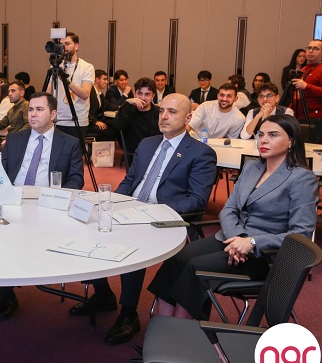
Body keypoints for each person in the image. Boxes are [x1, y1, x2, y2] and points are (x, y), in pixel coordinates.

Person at [72, 94, 216, 345]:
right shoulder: (148, 144)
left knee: (133, 243)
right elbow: (130, 180)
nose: (164, 116)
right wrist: (111, 202)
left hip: (167, 219)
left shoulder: (201, 153)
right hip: (132, 209)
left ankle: (128, 314)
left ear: (188, 118)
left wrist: (152, 211)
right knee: (88, 226)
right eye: (162, 111)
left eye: (172, 112)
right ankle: (103, 293)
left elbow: (196, 201)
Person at [148, 114, 318, 320]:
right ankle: (164, 324)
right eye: (261, 135)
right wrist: (238, 238)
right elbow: (228, 210)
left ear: (291, 141)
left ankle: (180, 331)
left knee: (194, 268)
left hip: (264, 255)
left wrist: (252, 242)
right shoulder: (252, 167)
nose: (263, 140)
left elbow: (301, 235)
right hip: (232, 239)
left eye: (273, 135)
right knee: (177, 258)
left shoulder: (301, 178)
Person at [0, 92, 84, 319]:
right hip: (13, 202)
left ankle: (5, 291)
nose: (33, 114)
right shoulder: (15, 139)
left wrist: (56, 198)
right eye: (31, 109)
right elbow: (2, 173)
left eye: (39, 110)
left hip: (48, 204)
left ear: (53, 114)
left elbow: (76, 180)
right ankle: (5, 288)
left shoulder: (69, 143)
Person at [49, 31, 94, 139]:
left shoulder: (87, 67)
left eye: (67, 44)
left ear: (76, 46)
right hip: (57, 120)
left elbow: (85, 94)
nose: (64, 47)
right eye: (61, 44)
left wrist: (66, 81)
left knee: (75, 150)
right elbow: (48, 94)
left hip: (78, 120)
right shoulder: (55, 68)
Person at [290, 39, 322, 143]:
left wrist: (307, 86)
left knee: (305, 148)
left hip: (315, 117)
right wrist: (288, 110)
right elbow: (299, 95)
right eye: (309, 48)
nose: (311, 51)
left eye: (315, 49)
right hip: (300, 116)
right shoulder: (304, 69)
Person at [109, 77, 161, 156]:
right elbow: (117, 126)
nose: (143, 98)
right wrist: (127, 103)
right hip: (134, 154)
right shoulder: (128, 111)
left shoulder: (159, 113)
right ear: (134, 94)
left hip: (155, 154)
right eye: (139, 93)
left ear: (153, 96)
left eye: (147, 94)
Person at [87, 70, 118, 142]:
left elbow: (108, 105)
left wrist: (121, 107)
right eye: (104, 79)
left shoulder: (99, 93)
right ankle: (99, 147)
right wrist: (95, 122)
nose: (106, 82)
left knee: (115, 126)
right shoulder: (89, 92)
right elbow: (84, 110)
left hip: (96, 121)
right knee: (110, 131)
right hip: (89, 123)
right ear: (97, 79)